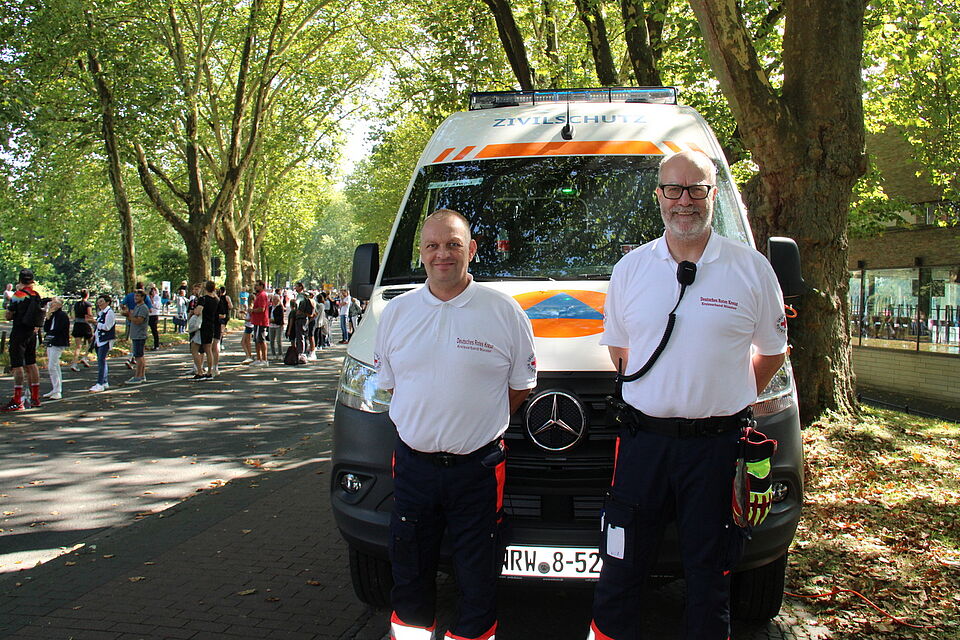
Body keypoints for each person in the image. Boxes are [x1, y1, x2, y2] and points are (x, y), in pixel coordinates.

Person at [586, 151, 788, 640]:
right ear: (658, 195)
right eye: (673, 189)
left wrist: (728, 398)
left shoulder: (752, 269)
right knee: (621, 566)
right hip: (643, 447)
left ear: (713, 196)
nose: (685, 201)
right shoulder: (631, 269)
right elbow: (621, 350)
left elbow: (773, 351)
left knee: (709, 574)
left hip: (716, 450)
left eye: (697, 189)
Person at [375, 209, 537, 640]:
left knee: (478, 573)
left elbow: (521, 386)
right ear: (421, 254)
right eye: (432, 246)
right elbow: (391, 386)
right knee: (408, 569)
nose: (441, 254)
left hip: (477, 470)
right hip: (413, 468)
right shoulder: (396, 314)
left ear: (472, 250)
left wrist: (476, 419)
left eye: (452, 244)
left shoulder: (504, 312)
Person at [2, 270, 44, 411]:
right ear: (32, 281)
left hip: (19, 332)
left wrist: (10, 309)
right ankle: (35, 398)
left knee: (17, 365)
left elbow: (9, 315)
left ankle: (17, 399)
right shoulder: (36, 295)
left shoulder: (18, 295)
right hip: (32, 333)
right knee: (32, 363)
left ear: (20, 280)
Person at [42, 297, 71, 400]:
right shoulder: (52, 315)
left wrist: (49, 335)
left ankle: (58, 391)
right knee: (54, 365)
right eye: (51, 303)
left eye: (54, 303)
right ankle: (55, 388)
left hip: (58, 342)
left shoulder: (62, 315)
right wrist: (48, 316)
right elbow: (46, 328)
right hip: (51, 342)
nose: (52, 305)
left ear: (59, 305)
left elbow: (57, 329)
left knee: (52, 366)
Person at [90, 293, 116, 392]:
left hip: (105, 340)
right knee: (101, 361)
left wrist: (96, 323)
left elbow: (107, 327)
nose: (99, 304)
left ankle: (100, 383)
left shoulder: (109, 313)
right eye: (98, 302)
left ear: (107, 302)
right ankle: (104, 381)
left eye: (101, 302)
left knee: (101, 361)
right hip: (99, 340)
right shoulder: (101, 313)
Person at [126, 289, 150, 384]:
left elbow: (138, 321)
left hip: (139, 335)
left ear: (142, 297)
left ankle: (138, 376)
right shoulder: (137, 307)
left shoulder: (143, 308)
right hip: (136, 334)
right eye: (135, 296)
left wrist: (129, 315)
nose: (135, 298)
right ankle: (141, 375)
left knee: (138, 357)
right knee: (140, 356)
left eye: (137, 296)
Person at [69, 289, 94, 372]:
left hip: (77, 325)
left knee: (78, 346)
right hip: (85, 325)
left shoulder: (76, 304)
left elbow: (72, 314)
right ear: (87, 295)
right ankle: (85, 356)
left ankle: (74, 363)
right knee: (91, 341)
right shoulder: (88, 304)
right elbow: (89, 314)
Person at [199, 281, 219, 378]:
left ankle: (204, 371)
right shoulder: (216, 300)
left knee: (205, 348)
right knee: (209, 349)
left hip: (204, 324)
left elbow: (198, 311)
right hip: (212, 324)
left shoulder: (204, 299)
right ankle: (210, 370)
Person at [248, 280, 270, 366]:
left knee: (261, 340)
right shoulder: (258, 295)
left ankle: (264, 360)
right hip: (257, 321)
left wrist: (252, 310)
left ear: (261, 286)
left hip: (261, 321)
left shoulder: (262, 295)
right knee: (257, 340)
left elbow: (262, 309)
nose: (255, 287)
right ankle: (258, 358)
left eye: (257, 285)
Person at [187, 282, 206, 379]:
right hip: (196, 325)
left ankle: (199, 369)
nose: (195, 291)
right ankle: (198, 367)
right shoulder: (194, 299)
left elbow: (197, 311)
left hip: (198, 326)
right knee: (198, 348)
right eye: (194, 289)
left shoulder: (202, 299)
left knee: (196, 349)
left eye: (197, 289)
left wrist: (193, 312)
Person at [268, 293, 285, 359]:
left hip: (278, 326)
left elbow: (280, 318)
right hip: (271, 326)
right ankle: (273, 354)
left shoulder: (280, 308)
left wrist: (273, 320)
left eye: (276, 299)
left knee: (279, 340)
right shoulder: (270, 308)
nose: (275, 301)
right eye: (273, 299)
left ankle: (280, 354)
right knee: (271, 340)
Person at [217, 285, 233, 353]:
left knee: (219, 330)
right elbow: (231, 306)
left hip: (218, 315)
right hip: (224, 315)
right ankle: (219, 343)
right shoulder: (227, 297)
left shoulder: (217, 297)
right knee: (221, 331)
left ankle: (218, 343)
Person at [147, 285, 162, 350]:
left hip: (154, 315)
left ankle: (156, 345)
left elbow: (157, 306)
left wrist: (152, 299)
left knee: (154, 330)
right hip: (148, 315)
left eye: (153, 291)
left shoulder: (157, 297)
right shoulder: (147, 297)